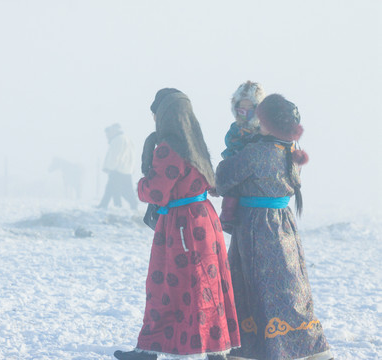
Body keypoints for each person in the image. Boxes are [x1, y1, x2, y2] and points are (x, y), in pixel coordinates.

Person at [114, 89, 240, 360]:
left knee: (166, 289)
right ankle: (216, 350)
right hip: (205, 221)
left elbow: (156, 192)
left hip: (181, 226)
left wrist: (141, 184)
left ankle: (150, 349)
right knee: (207, 286)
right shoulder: (196, 144)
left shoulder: (168, 148)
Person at [215, 94, 333, 360]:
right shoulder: (292, 151)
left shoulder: (256, 152)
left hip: (257, 226)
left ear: (268, 122)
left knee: (255, 285)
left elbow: (223, 178)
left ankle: (253, 349)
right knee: (289, 285)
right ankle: (309, 346)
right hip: (283, 223)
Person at [219, 81, 266, 234]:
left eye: (249, 108)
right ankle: (227, 216)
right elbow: (230, 144)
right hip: (234, 163)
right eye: (242, 108)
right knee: (231, 191)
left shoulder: (263, 130)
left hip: (254, 176)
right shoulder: (235, 128)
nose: (245, 111)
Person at [98, 123, 138, 210]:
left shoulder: (117, 140)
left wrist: (109, 167)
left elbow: (115, 156)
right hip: (127, 170)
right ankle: (118, 205)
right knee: (118, 189)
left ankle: (105, 205)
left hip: (118, 170)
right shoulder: (128, 139)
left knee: (112, 189)